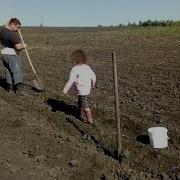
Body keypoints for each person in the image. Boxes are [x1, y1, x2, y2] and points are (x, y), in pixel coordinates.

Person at [63, 50, 96, 124]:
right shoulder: (87, 67)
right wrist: (93, 85)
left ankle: (89, 119)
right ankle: (79, 114)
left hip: (82, 89)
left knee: (84, 103)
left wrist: (65, 90)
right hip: (87, 88)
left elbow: (71, 80)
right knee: (80, 101)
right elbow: (93, 76)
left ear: (75, 59)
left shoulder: (75, 69)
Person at [0, 18, 27, 95]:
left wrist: (12, 22)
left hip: (3, 54)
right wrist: (23, 45)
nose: (17, 29)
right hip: (11, 54)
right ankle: (19, 90)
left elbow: (6, 24)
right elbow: (18, 47)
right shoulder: (13, 35)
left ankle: (10, 89)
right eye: (17, 27)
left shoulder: (1, 28)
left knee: (8, 70)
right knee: (17, 70)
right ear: (12, 25)